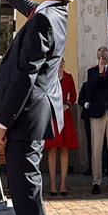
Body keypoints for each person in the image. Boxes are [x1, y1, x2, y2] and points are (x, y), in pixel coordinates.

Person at [0, 0, 82, 215]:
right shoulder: (52, 13)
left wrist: (1, 123)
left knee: (26, 197)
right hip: (34, 118)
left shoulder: (44, 20)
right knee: (27, 194)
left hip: (25, 119)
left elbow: (24, 77)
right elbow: (30, 6)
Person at [83, 45, 108, 195]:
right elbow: (90, 89)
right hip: (97, 113)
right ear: (97, 56)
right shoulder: (92, 71)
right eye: (101, 55)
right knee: (96, 148)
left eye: (105, 55)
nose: (103, 58)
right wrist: (100, 74)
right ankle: (96, 182)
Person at [44, 58, 77, 196]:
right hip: (52, 116)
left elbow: (74, 95)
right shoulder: (49, 77)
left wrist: (67, 104)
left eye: (61, 62)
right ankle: (52, 183)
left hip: (65, 116)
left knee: (64, 148)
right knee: (52, 149)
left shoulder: (69, 77)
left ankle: (63, 183)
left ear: (63, 63)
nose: (59, 65)